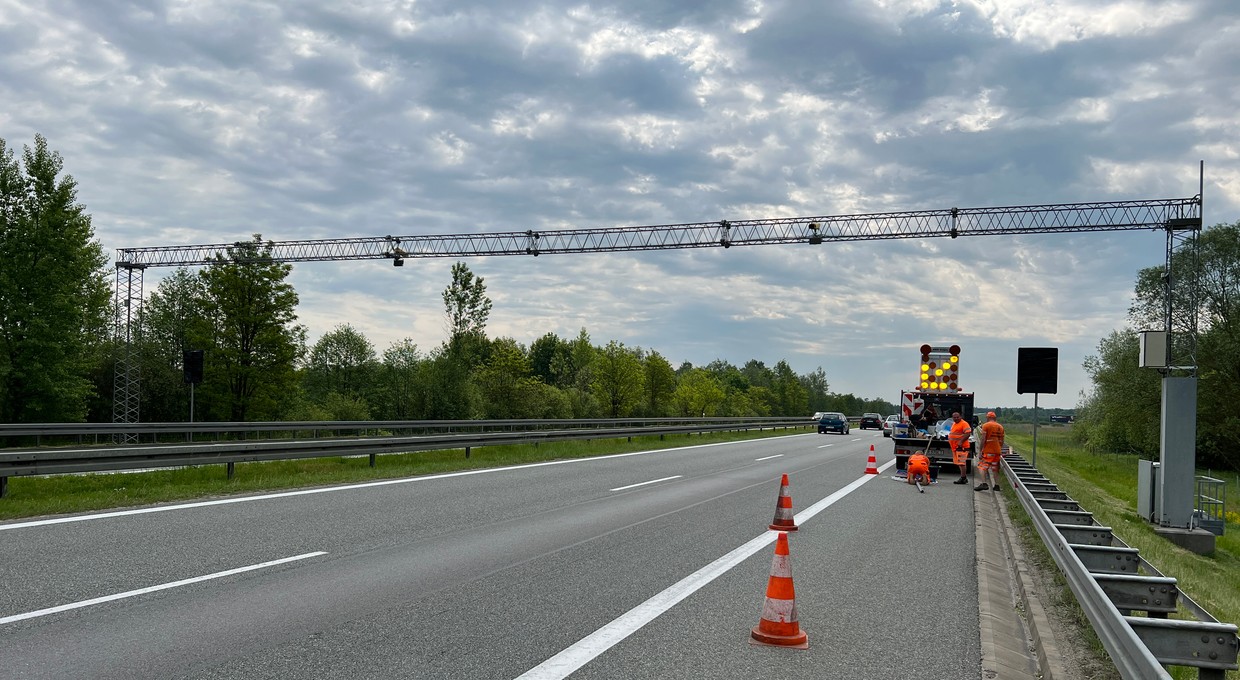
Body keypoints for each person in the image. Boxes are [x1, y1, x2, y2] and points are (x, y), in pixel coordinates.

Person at [975, 411, 1006, 491]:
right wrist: (999, 449)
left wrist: (980, 450)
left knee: (982, 467)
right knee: (995, 468)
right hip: (997, 452)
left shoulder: (986, 425)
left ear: (988, 418)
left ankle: (984, 484)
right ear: (995, 418)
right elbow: (1002, 441)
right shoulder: (1000, 427)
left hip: (988, 451)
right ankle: (997, 485)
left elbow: (983, 439)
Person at [948, 411, 973, 484]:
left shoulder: (964, 424)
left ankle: (963, 478)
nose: (956, 419)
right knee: (959, 462)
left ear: (960, 417)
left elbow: (967, 433)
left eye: (957, 417)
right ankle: (963, 477)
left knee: (961, 463)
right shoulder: (954, 424)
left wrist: (961, 441)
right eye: (954, 417)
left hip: (962, 447)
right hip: (955, 447)